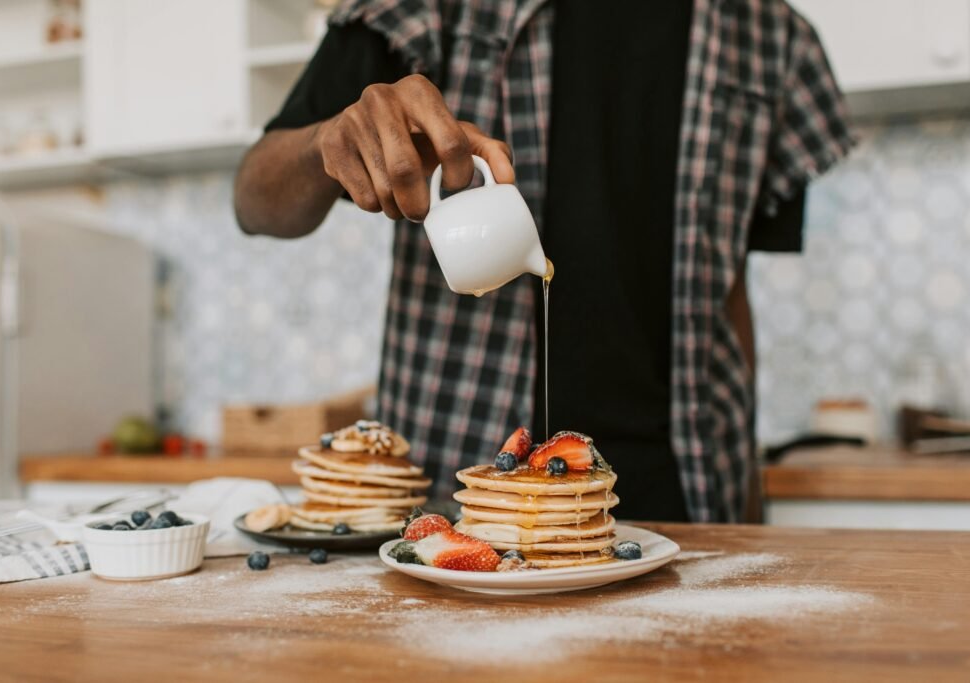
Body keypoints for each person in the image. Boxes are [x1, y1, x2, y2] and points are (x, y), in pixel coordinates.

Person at [234, 0, 853, 522]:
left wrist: (748, 495)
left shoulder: (772, 40)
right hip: (461, 487)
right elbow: (253, 199)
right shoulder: (431, 8)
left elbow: (729, 287)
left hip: (684, 489)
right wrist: (327, 140)